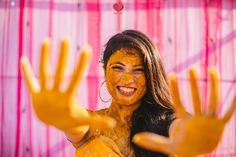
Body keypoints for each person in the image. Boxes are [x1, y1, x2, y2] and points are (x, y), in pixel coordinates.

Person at [21, 30, 236, 157]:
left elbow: (179, 129)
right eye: (118, 68)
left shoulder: (166, 121)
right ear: (105, 70)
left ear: (151, 75)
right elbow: (75, 122)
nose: (126, 80)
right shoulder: (93, 123)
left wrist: (191, 138)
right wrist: (62, 115)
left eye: (138, 70)